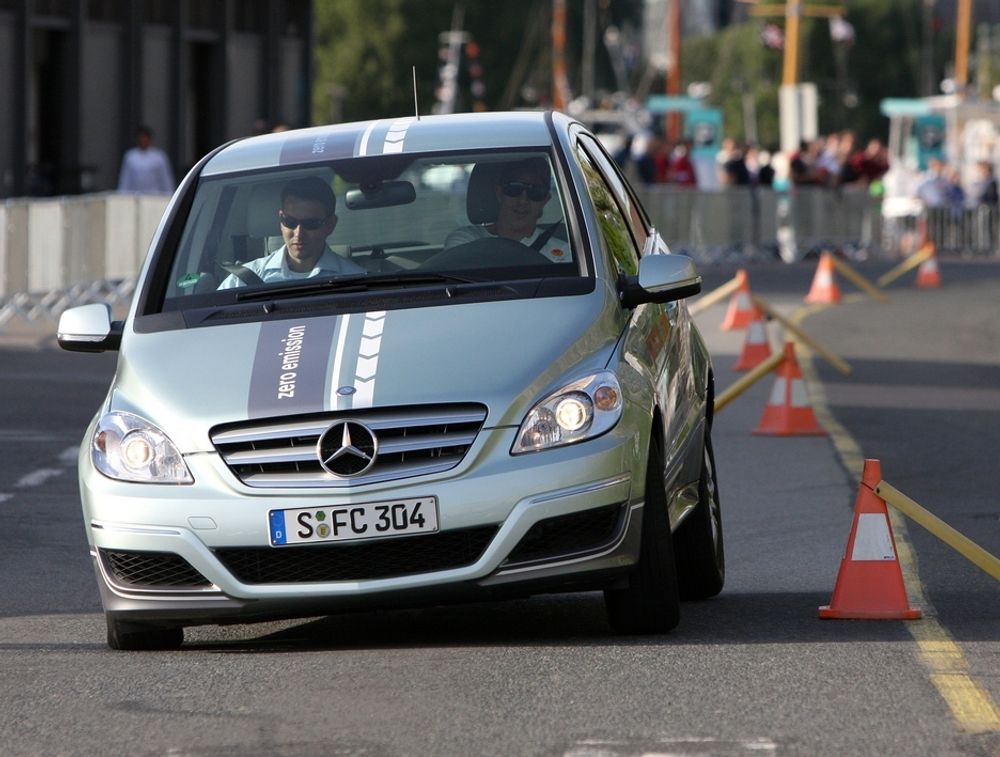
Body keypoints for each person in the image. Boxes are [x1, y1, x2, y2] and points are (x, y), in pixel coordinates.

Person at [218, 176, 364, 288]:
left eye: (310, 223)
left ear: (330, 225)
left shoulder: (356, 281)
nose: (298, 233)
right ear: (281, 221)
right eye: (290, 222)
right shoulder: (242, 281)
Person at [444, 157, 569, 262]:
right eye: (514, 189)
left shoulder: (564, 253)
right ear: (499, 193)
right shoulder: (465, 241)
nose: (523, 201)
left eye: (535, 192)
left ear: (545, 200)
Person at [117, 126, 175, 193]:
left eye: (145, 137)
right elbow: (125, 179)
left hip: (155, 196)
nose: (143, 140)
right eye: (141, 138)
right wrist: (121, 195)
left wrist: (169, 194)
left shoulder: (159, 157)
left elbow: (165, 179)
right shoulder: (130, 156)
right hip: (134, 197)